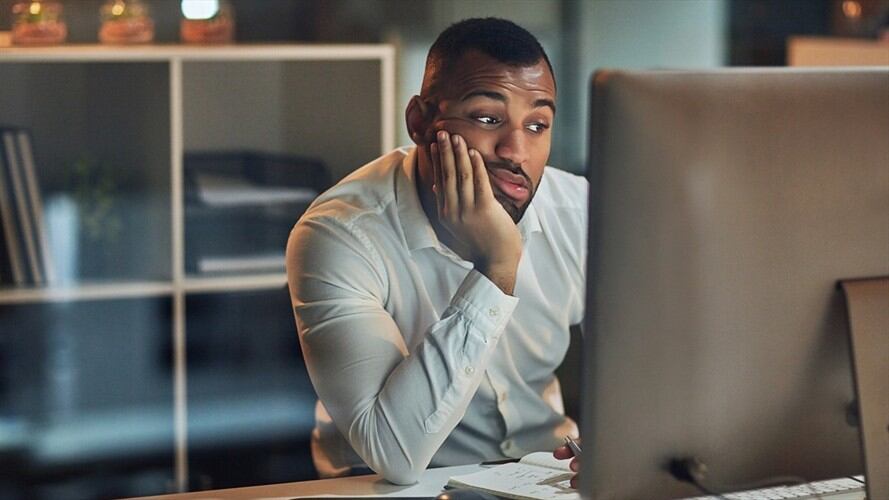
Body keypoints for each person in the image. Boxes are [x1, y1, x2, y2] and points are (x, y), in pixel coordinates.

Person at [286, 17, 587, 485]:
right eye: (488, 119)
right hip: (382, 486)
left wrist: (626, 443)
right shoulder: (338, 233)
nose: (516, 150)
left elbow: (656, 361)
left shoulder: (578, 211)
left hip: (542, 477)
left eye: (537, 124)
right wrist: (496, 267)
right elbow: (394, 453)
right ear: (420, 122)